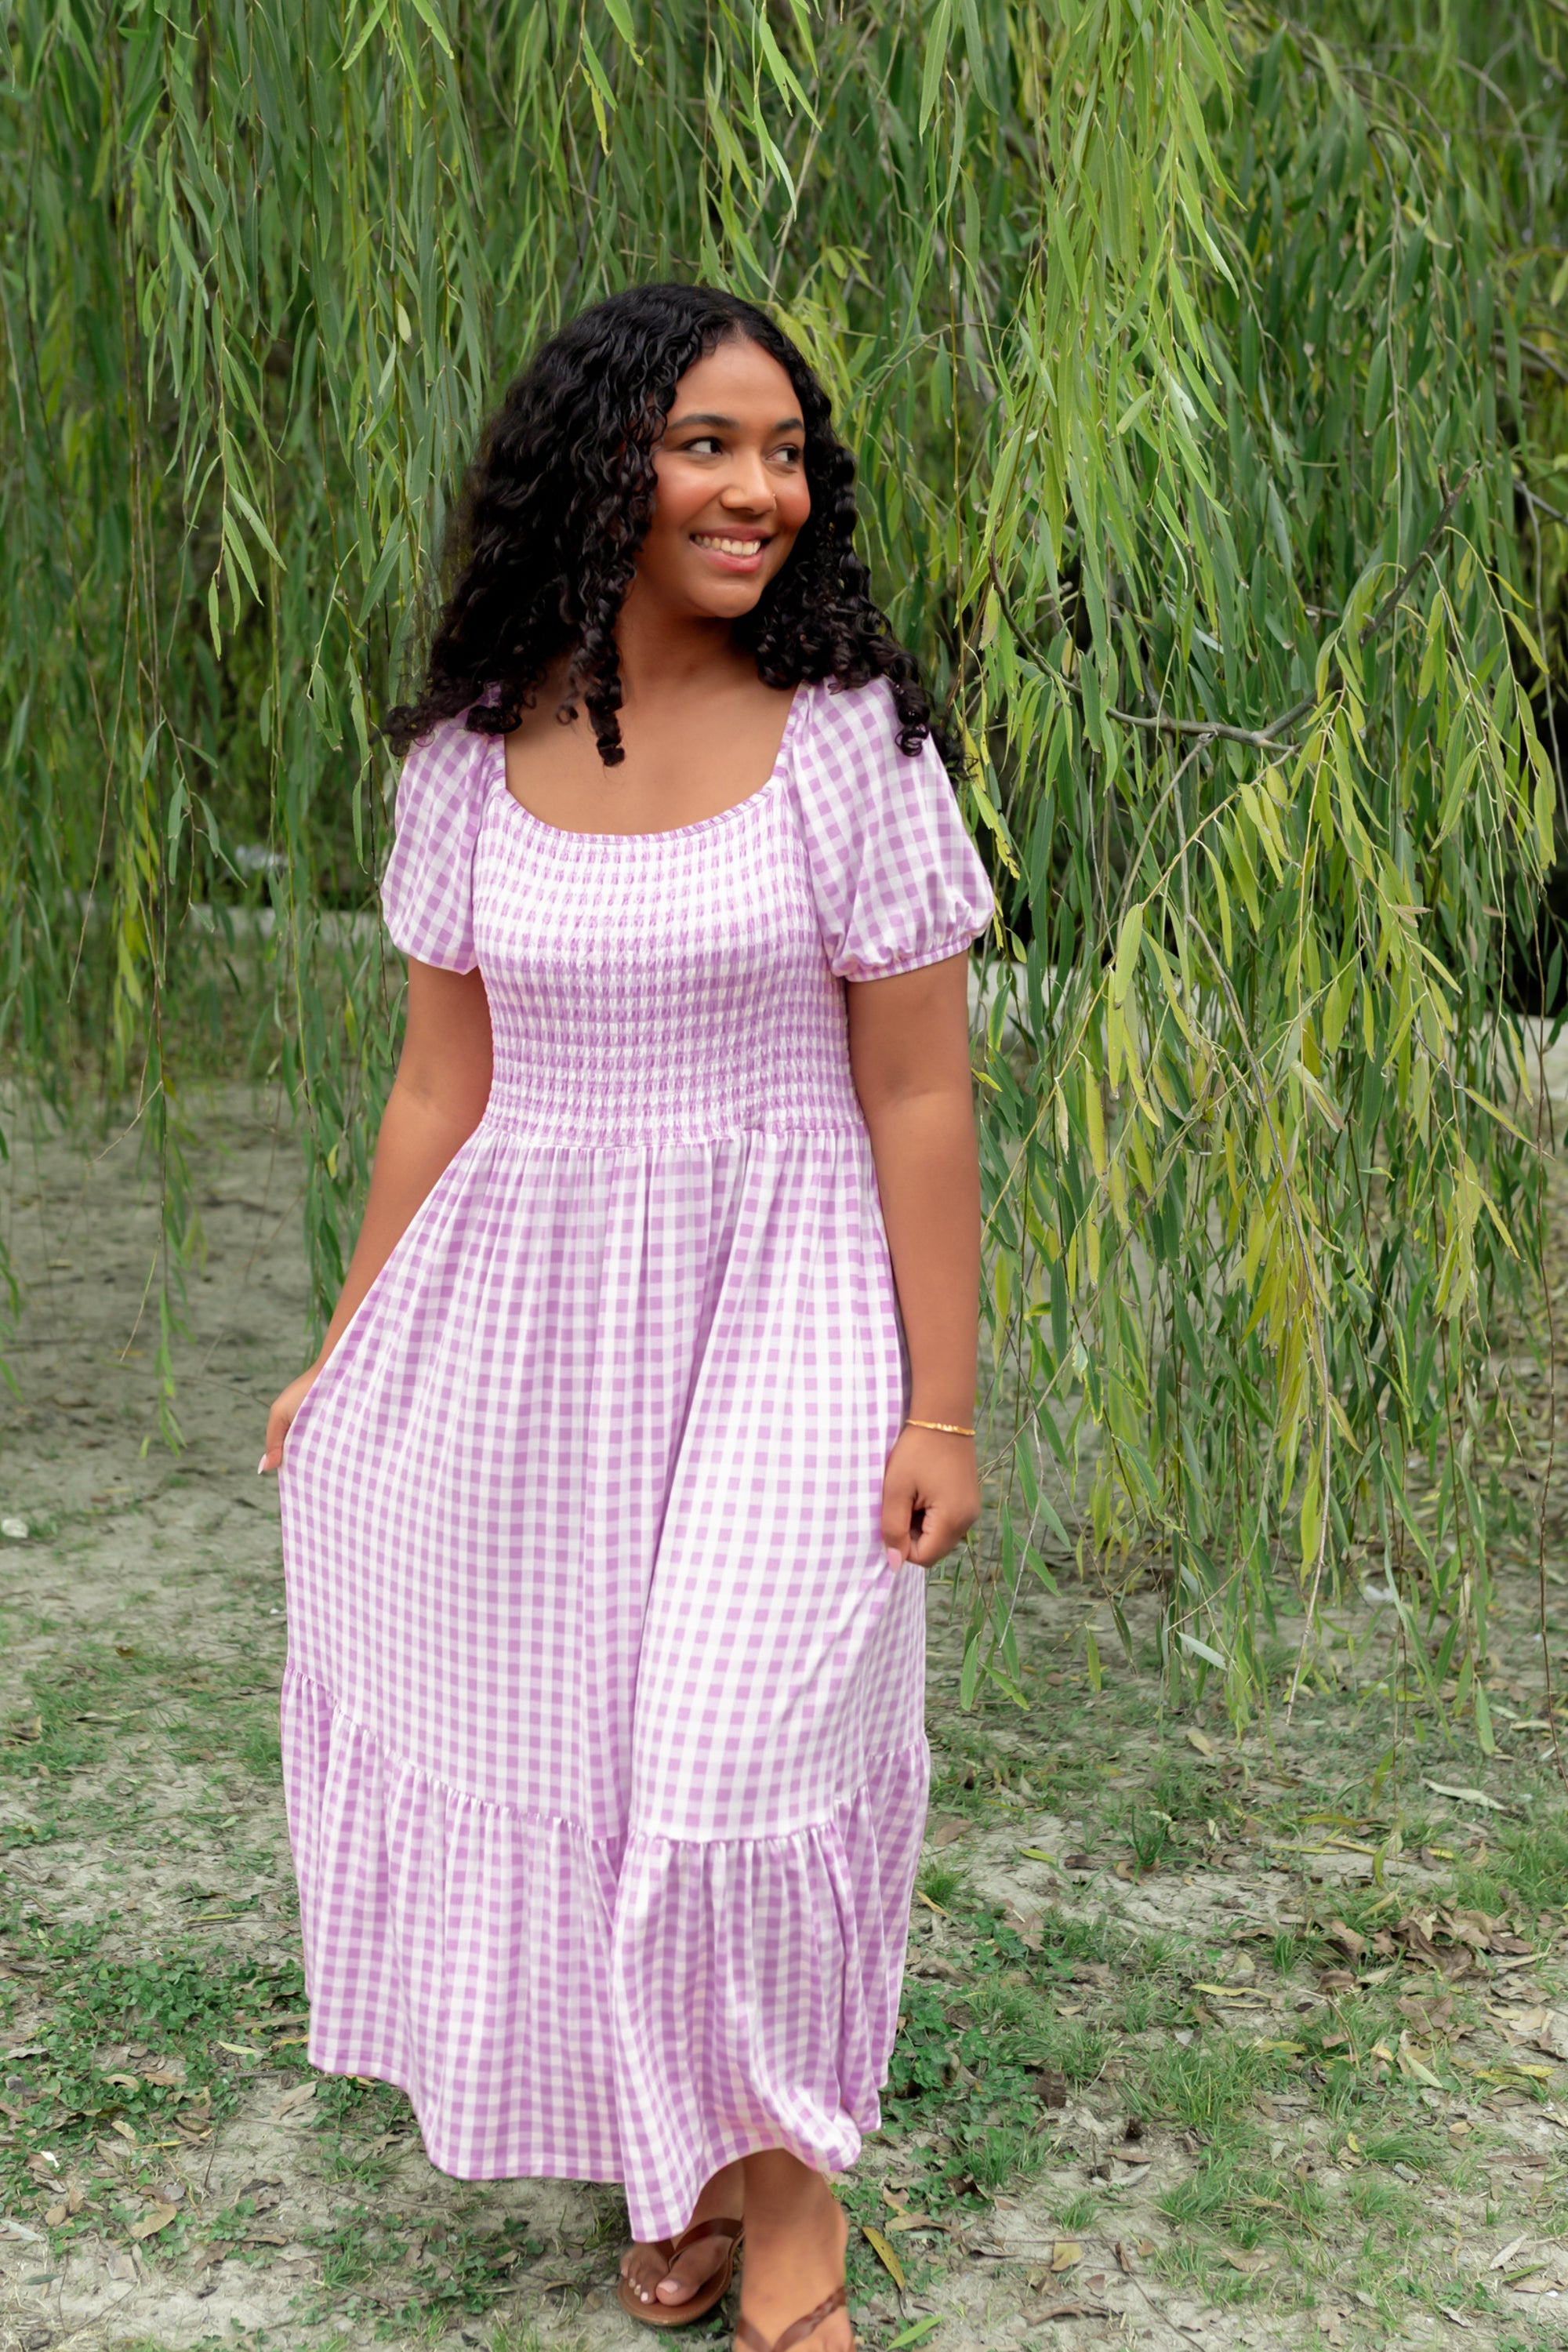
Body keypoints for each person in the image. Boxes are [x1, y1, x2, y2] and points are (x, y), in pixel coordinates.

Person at [260, 282, 991, 2352]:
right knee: (573, 1749)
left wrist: (943, 1402)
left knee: (736, 1761)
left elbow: (919, 1085)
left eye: (786, 452)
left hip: (787, 1305)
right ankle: (684, 2163)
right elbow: (438, 1087)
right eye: (707, 444)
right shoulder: (468, 763)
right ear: (602, 467)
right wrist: (348, 1342)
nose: (762, 487)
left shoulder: (851, 742)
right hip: (531, 1313)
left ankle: (793, 2232)